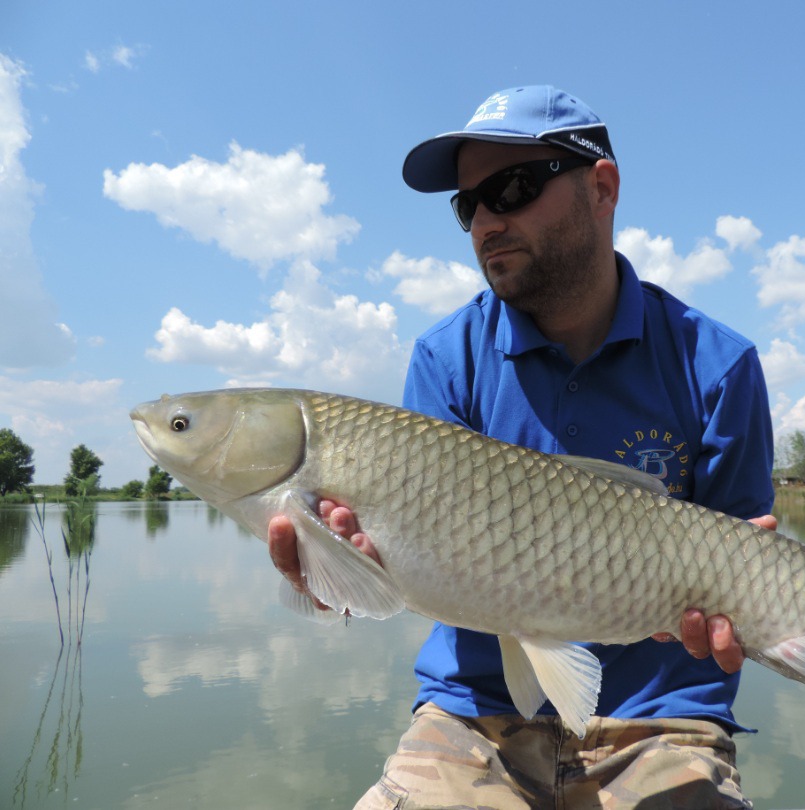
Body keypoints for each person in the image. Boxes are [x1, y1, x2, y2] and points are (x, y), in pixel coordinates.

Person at [269, 85, 777, 809]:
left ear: (601, 188)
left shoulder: (719, 365)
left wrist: (746, 617)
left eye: (510, 188)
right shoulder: (445, 360)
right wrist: (335, 578)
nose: (484, 222)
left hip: (663, 722)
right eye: (465, 206)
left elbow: (742, 577)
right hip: (475, 723)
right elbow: (398, 567)